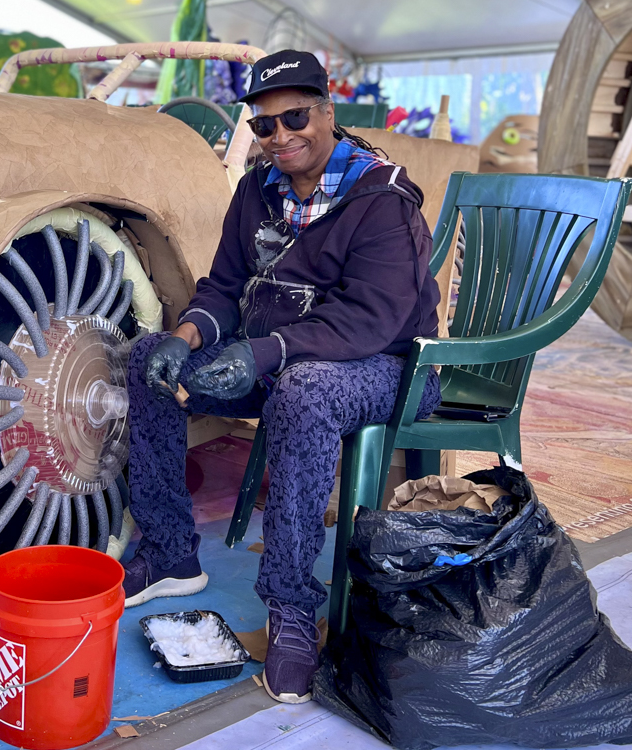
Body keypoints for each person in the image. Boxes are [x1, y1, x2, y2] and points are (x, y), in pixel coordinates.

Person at [123, 50, 443, 703]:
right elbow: (223, 288)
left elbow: (372, 320)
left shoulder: (381, 197)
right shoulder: (257, 192)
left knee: (304, 388)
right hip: (277, 356)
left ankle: (292, 608)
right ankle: (169, 552)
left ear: (328, 112)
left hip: (388, 367)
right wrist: (186, 339)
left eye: (295, 116)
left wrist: (264, 353)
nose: (281, 135)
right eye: (264, 125)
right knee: (146, 355)